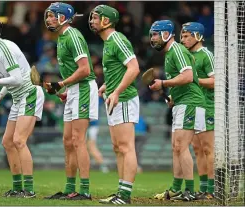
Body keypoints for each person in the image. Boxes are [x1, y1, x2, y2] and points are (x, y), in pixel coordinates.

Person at [0, 17, 45, 198]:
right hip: (18, 97)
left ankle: (28, 190)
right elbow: (12, 76)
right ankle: (17, 187)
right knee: (7, 142)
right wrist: (0, 95)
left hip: (29, 94)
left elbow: (18, 79)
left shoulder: (3, 48)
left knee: (19, 141)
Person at [43, 2, 98, 200]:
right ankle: (69, 188)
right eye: (48, 15)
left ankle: (84, 190)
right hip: (74, 90)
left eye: (52, 15)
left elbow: (85, 69)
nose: (48, 19)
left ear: (63, 17)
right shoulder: (62, 37)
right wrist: (63, 91)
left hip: (83, 88)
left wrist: (60, 83)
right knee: (67, 141)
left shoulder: (73, 36)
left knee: (77, 140)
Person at [149, 20, 206, 201]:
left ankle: (189, 191)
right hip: (182, 101)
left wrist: (164, 83)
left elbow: (188, 76)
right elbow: (181, 79)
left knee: (182, 147)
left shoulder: (177, 50)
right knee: (176, 147)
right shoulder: (169, 54)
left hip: (191, 102)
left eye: (156, 34)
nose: (153, 38)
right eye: (152, 34)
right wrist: (173, 97)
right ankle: (176, 188)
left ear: (167, 34)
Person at [89, 5, 140, 204]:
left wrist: (117, 91)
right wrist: (107, 86)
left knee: (126, 147)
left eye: (96, 18)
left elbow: (134, 68)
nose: (92, 21)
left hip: (124, 98)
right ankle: (121, 191)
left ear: (107, 21)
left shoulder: (117, 39)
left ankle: (125, 195)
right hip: (115, 97)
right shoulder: (108, 42)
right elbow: (119, 71)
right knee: (117, 147)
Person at [180, 22, 215, 200]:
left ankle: (212, 189)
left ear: (198, 36)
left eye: (187, 36)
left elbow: (215, 81)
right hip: (194, 106)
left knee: (209, 148)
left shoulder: (206, 55)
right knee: (197, 149)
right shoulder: (185, 55)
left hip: (208, 105)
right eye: (182, 36)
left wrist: (195, 80)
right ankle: (203, 188)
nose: (183, 39)